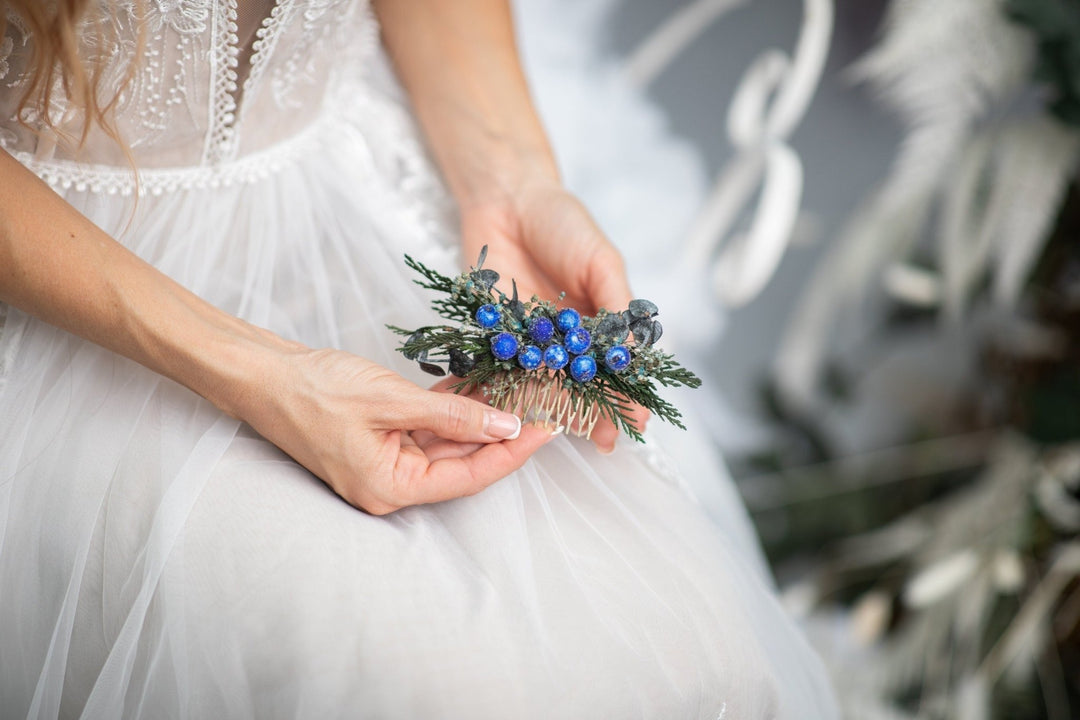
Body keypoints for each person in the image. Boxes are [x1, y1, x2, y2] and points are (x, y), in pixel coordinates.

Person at [0, 1, 838, 718]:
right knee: (437, 677)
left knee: (684, 630)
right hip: (79, 291)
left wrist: (512, 186)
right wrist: (260, 374)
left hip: (351, 195)